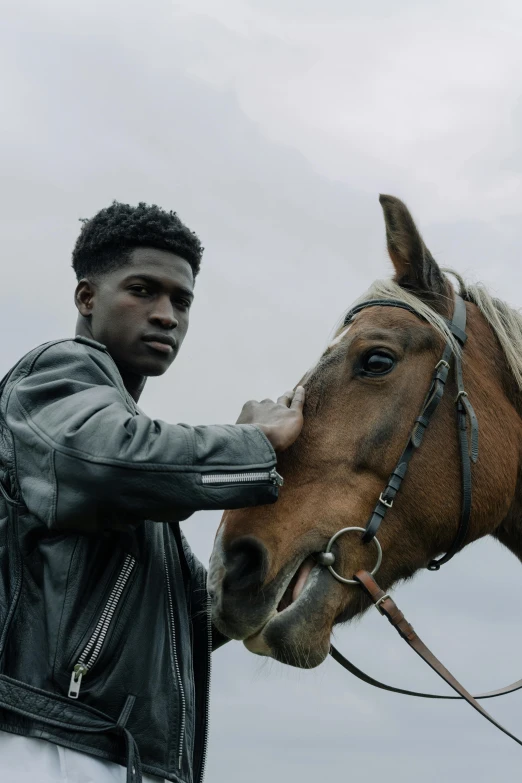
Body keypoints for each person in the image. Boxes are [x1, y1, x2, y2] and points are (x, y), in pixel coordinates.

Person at [0, 202, 305, 783]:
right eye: (143, 290)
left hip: (121, 754)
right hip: (48, 743)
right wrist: (253, 443)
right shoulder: (53, 377)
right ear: (87, 298)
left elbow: (179, 622)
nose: (166, 315)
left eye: (181, 301)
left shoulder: (139, 488)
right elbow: (103, 459)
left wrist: (269, 585)